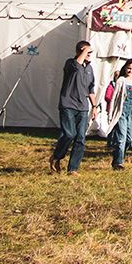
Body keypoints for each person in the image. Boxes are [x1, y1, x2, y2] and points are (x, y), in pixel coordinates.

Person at [50, 41, 98, 174]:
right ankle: (57, 156)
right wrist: (84, 51)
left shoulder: (89, 68)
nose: (89, 54)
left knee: (80, 138)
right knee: (69, 134)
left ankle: (73, 169)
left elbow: (91, 89)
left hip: (83, 107)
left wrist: (94, 106)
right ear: (80, 51)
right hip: (68, 104)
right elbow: (76, 65)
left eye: (90, 52)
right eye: (86, 52)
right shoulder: (70, 63)